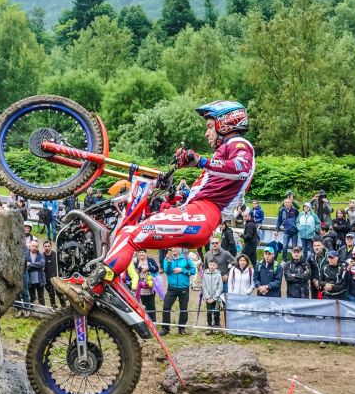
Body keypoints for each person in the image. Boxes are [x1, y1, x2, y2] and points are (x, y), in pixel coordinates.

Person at [52, 101, 256, 315]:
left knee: (131, 235)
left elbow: (240, 168)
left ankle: (90, 290)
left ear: (225, 123)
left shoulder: (239, 144)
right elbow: (213, 182)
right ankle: (103, 287)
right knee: (128, 231)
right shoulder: (224, 153)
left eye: (209, 126)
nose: (207, 133)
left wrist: (200, 161)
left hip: (203, 214)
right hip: (199, 213)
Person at [162, 247, 196, 335]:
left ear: (180, 249)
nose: (174, 249)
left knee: (183, 308)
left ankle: (181, 329)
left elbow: (193, 271)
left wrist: (182, 270)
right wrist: (169, 262)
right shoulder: (167, 258)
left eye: (176, 247)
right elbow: (167, 271)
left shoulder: (186, 258)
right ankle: (165, 329)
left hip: (184, 287)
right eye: (172, 248)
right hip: (172, 287)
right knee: (166, 307)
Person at [131, 250, 159, 322]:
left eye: (143, 252)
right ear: (138, 254)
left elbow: (156, 269)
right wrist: (138, 269)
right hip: (140, 287)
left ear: (146, 253)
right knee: (143, 305)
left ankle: (153, 321)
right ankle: (146, 321)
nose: (141, 254)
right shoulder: (136, 262)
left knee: (151, 305)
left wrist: (148, 269)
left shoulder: (150, 260)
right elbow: (133, 272)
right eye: (140, 252)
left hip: (150, 286)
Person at [201, 259, 225, 333]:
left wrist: (215, 298)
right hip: (208, 298)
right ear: (208, 265)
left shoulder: (218, 275)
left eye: (214, 265)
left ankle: (216, 325)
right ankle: (209, 325)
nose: (212, 266)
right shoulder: (205, 274)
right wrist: (207, 297)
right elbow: (203, 286)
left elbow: (220, 287)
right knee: (209, 312)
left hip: (216, 298)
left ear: (216, 266)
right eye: (210, 265)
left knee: (216, 312)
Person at [42, 240, 64, 308]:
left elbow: (61, 265)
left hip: (56, 278)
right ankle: (53, 307)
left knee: (59, 293)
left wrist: (60, 275)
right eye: (45, 246)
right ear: (43, 247)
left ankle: (64, 306)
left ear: (51, 246)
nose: (47, 248)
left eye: (48, 246)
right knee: (51, 294)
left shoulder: (55, 255)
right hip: (47, 279)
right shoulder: (41, 256)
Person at [26, 239, 47, 307]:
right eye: (33, 246)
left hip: (40, 280)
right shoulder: (26, 255)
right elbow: (25, 266)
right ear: (30, 246)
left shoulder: (41, 255)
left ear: (38, 247)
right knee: (31, 297)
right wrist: (36, 266)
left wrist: (30, 264)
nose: (34, 248)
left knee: (41, 297)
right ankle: (31, 310)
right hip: (29, 280)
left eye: (36, 246)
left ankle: (43, 309)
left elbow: (42, 264)